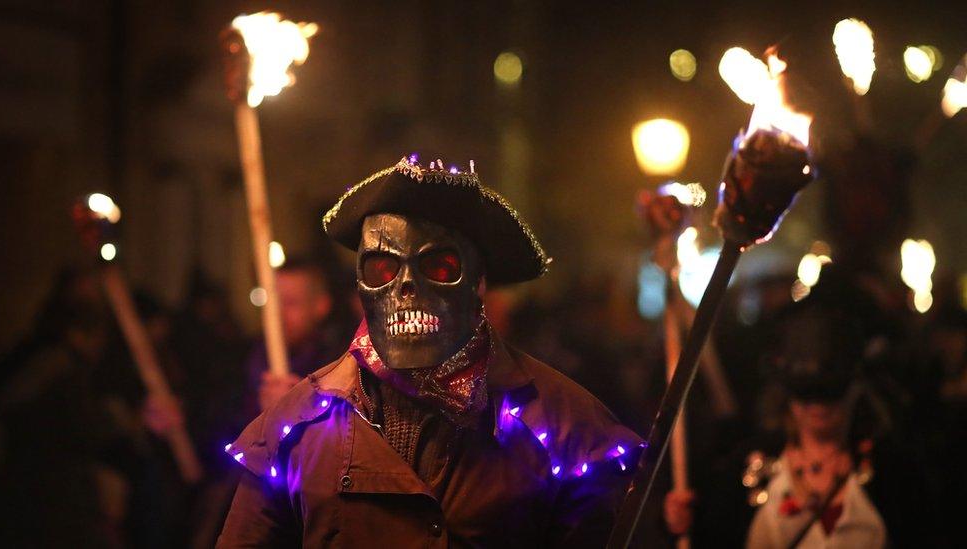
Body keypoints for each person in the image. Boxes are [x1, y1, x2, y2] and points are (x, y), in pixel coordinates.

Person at [217, 155, 641, 546]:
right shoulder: (293, 429)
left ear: (478, 284)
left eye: (439, 267)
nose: (405, 287)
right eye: (383, 268)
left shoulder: (568, 430)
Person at [663, 292, 939, 548]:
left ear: (855, 388)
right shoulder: (746, 468)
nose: (818, 404)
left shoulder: (895, 472)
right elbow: (712, 538)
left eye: (831, 391)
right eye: (806, 392)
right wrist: (683, 520)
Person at [245, 257, 347, 414]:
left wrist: (302, 406)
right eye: (273, 302)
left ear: (321, 305)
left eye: (291, 303)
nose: (277, 314)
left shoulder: (340, 365)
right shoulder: (250, 359)